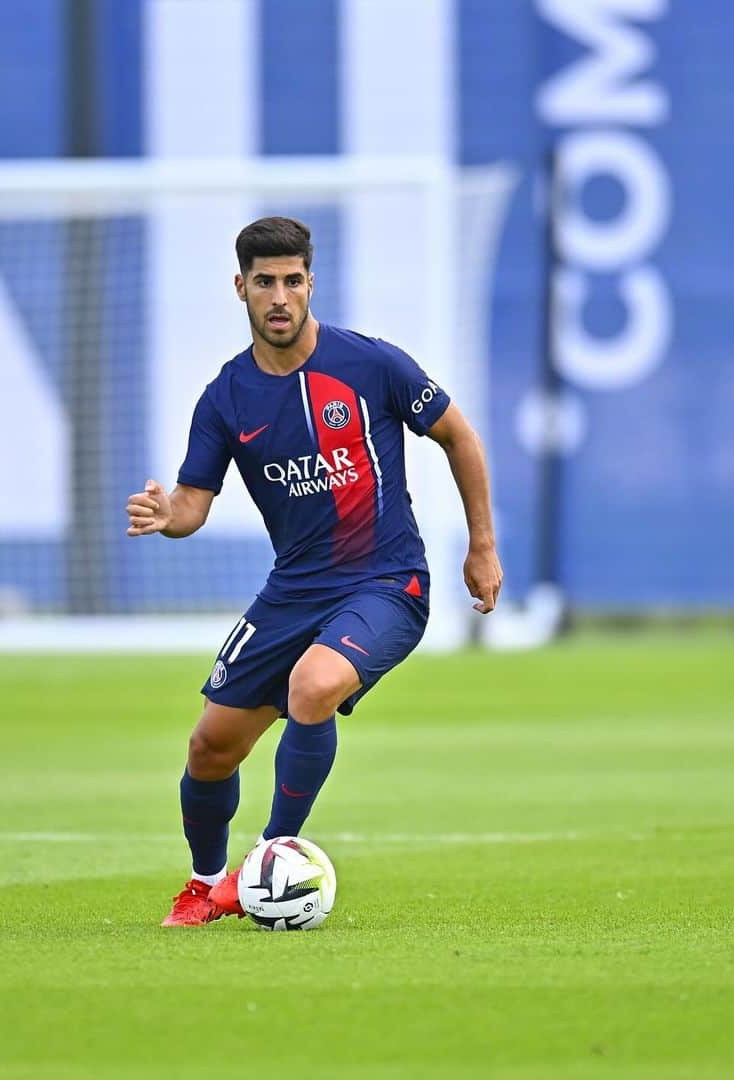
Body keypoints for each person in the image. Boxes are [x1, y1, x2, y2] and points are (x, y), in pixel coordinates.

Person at [126, 216, 503, 924]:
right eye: (263, 282)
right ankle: (207, 884)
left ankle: (268, 861)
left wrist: (481, 545)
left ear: (310, 284)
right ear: (240, 288)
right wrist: (165, 515)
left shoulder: (371, 365)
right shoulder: (225, 399)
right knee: (209, 749)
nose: (279, 296)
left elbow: (460, 437)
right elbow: (192, 505)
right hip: (293, 592)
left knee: (314, 682)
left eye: (292, 281)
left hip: (387, 583)